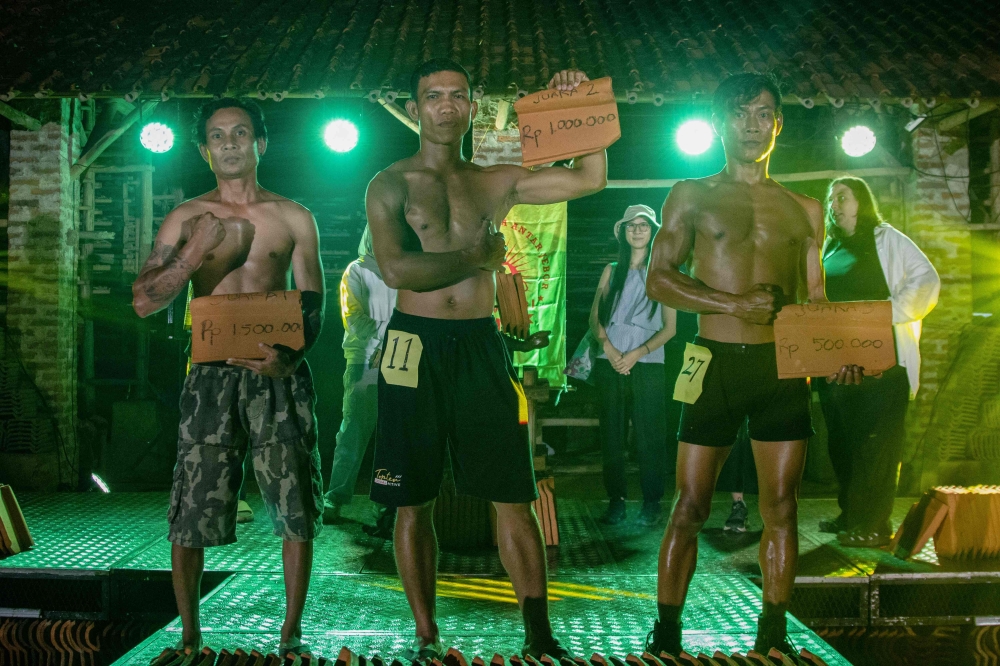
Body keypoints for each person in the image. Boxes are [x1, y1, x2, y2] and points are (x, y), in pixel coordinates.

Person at [365, 59, 606, 660]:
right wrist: (477, 259)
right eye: (433, 96)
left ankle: (539, 632)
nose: (446, 106)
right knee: (411, 499)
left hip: (479, 343)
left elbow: (589, 178)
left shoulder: (495, 180)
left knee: (512, 491)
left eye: (457, 96)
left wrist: (575, 107)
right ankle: (426, 634)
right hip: (411, 343)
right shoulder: (389, 184)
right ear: (415, 106)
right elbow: (397, 269)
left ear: (472, 107)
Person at [643, 72, 865, 655]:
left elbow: (816, 301)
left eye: (762, 113)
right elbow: (659, 279)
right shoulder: (690, 194)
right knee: (689, 505)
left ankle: (773, 633)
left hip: (781, 369)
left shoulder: (805, 209)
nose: (750, 123)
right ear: (720, 122)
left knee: (781, 507)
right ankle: (667, 632)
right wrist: (733, 304)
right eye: (739, 112)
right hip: (710, 361)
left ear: (777, 124)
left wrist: (837, 354)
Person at [132, 98, 325, 656]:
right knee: (192, 506)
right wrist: (194, 254)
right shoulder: (185, 217)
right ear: (204, 150)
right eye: (218, 136)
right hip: (210, 377)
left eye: (242, 133)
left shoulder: (293, 216)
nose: (231, 143)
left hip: (277, 367)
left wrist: (292, 355)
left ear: (261, 144)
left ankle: (291, 633)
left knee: (295, 503)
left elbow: (312, 298)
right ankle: (190, 635)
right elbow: (145, 300)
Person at [817, 176, 939, 546]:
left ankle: (875, 524)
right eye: (831, 199)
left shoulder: (887, 239)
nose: (834, 204)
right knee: (842, 441)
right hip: (837, 364)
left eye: (842, 197)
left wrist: (888, 313)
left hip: (883, 363)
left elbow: (927, 280)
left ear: (861, 202)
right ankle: (851, 514)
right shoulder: (830, 248)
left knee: (877, 444)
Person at [589, 204, 676, 527]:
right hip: (609, 361)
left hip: (648, 363)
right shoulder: (612, 269)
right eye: (631, 225)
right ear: (623, 232)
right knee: (611, 434)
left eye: (643, 225)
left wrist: (637, 353)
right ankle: (616, 501)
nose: (637, 230)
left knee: (649, 434)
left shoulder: (663, 274)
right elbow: (595, 316)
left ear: (653, 232)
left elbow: (671, 328)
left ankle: (652, 501)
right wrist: (609, 348)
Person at [323, 226, 397, 528]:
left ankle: (388, 503)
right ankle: (336, 498)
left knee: (394, 435)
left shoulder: (404, 272)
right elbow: (354, 319)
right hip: (365, 359)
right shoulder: (356, 270)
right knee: (353, 431)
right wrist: (391, 336)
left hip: (401, 358)